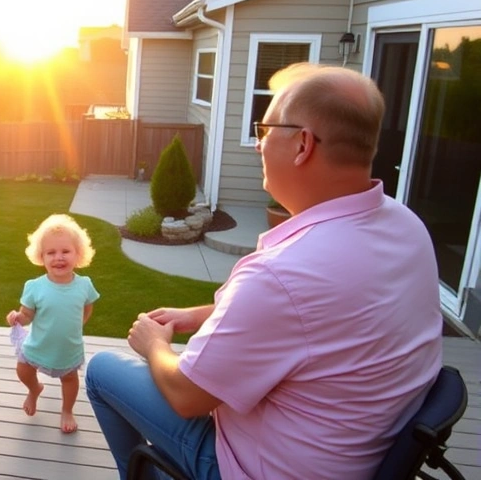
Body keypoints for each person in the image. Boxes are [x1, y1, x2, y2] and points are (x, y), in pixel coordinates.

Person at [85, 63, 443, 480]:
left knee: (101, 370)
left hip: (261, 468)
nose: (258, 146)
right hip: (357, 454)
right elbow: (317, 319)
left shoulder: (284, 273)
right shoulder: (405, 225)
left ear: (302, 145)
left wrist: (154, 345)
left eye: (265, 130)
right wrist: (196, 315)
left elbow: (187, 396)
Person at [6, 213, 100, 434]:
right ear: (41, 257)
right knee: (23, 369)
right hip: (38, 345)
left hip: (68, 348)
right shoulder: (35, 286)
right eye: (51, 252)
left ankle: (67, 410)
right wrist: (18, 318)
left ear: (78, 255)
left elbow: (88, 306)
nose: (59, 257)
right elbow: (27, 315)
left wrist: (80, 323)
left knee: (69, 379)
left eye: (65, 251)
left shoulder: (84, 285)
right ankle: (34, 389)